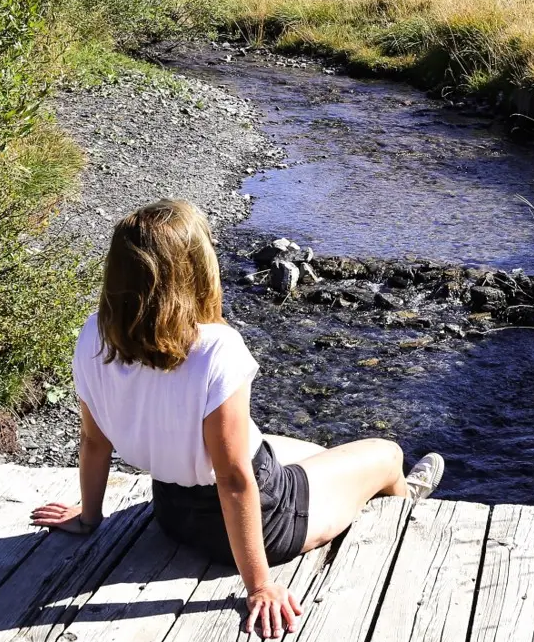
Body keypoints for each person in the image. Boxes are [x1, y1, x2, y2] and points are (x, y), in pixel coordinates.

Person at [31, 199, 444, 638]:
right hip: (266, 523)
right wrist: (260, 585)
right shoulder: (215, 348)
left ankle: (349, 486)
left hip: (173, 513)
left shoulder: (95, 334)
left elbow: (94, 441)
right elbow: (232, 479)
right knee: (386, 453)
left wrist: (89, 516)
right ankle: (404, 504)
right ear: (197, 269)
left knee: (304, 449)